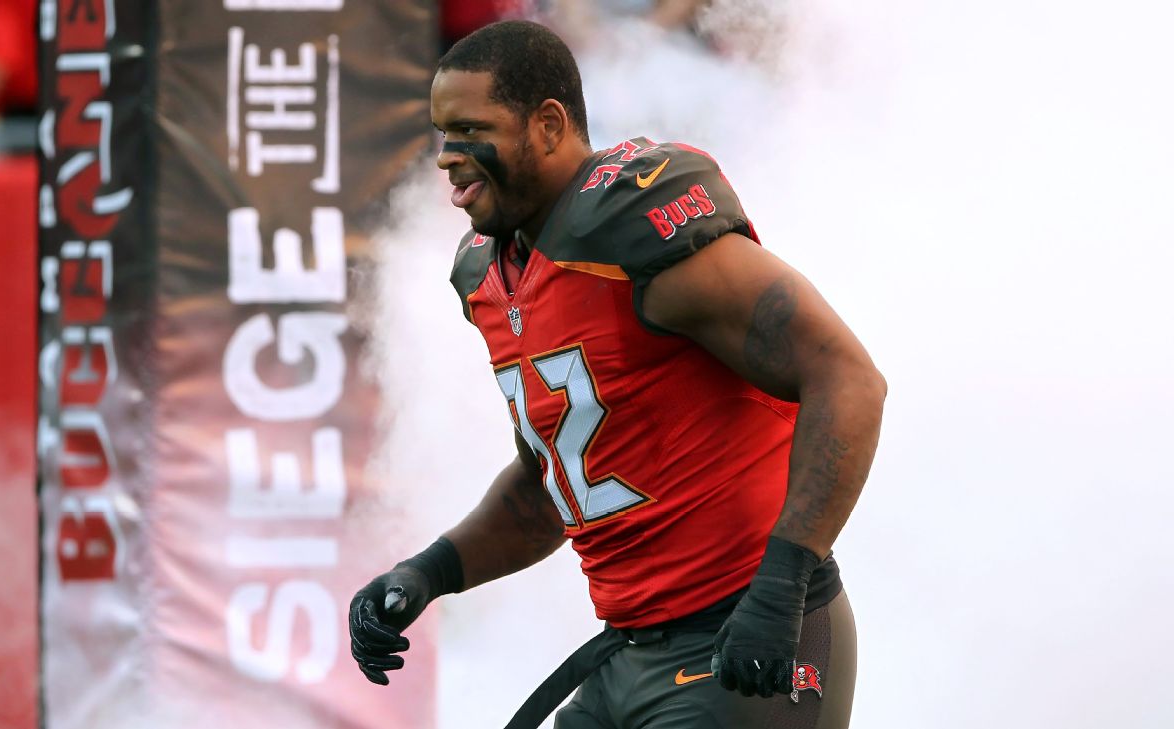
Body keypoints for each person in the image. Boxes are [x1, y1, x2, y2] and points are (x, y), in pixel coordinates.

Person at [349, 20, 886, 729]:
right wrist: (427, 573)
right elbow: (558, 482)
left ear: (547, 125)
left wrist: (782, 581)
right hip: (630, 653)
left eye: (471, 130)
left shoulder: (632, 237)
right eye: (443, 133)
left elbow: (848, 380)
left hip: (746, 639)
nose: (448, 157)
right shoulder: (489, 276)